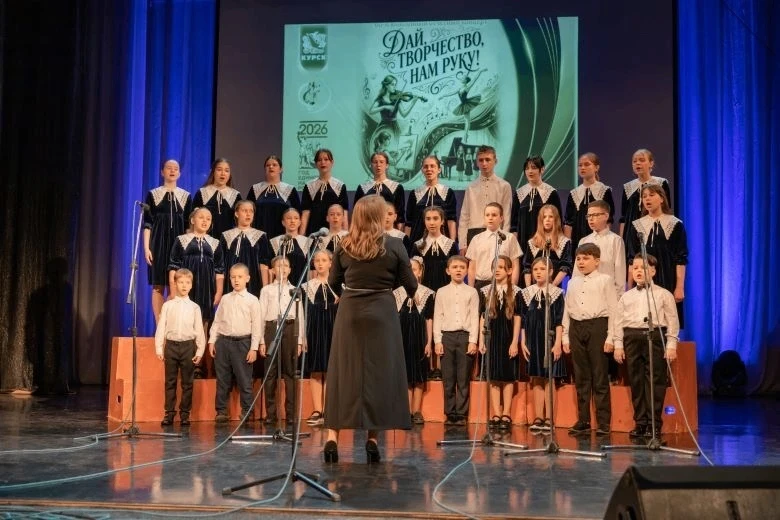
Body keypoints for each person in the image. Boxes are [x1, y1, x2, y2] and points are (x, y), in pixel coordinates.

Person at [323, 195, 417, 464]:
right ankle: (372, 441)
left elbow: (333, 282)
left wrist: (353, 291)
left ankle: (332, 438)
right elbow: (411, 285)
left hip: (350, 311)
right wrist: (385, 287)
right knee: (378, 375)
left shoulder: (344, 245)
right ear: (378, 216)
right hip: (382, 313)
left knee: (344, 373)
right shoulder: (395, 244)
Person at [613, 254, 680, 438]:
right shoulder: (626, 297)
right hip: (632, 338)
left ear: (653, 271)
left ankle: (654, 423)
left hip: (655, 337)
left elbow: (672, 321)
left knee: (655, 381)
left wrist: (671, 344)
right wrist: (618, 344)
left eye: (642, 268)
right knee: (636, 381)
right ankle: (641, 422)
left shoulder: (663, 294)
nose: (638, 271)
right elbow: (618, 322)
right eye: (635, 268)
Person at [562, 243, 619, 435]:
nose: (581, 262)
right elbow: (567, 310)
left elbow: (613, 309)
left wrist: (611, 337)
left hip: (597, 326)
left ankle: (603, 422)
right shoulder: (572, 282)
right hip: (576, 327)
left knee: (599, 375)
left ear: (597, 261)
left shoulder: (605, 280)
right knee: (581, 376)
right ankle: (583, 420)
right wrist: (565, 336)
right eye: (578, 259)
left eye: (586, 258)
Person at [168, 207, 225, 378]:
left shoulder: (215, 243)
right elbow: (173, 267)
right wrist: (173, 291)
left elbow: (220, 271)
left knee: (203, 324)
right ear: (193, 220)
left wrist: (219, 292)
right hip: (186, 288)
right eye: (201, 217)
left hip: (206, 288)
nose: (205, 221)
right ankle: (184, 364)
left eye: (208, 218)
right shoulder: (181, 240)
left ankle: (198, 364)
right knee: (185, 322)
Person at [628, 184, 688, 326]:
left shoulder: (675, 224)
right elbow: (631, 258)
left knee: (668, 319)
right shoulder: (637, 225)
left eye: (651, 195)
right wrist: (629, 287)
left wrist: (680, 287)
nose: (647, 199)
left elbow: (681, 258)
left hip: (667, 276)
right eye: (644, 196)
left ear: (661, 198)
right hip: (643, 276)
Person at [209, 263, 262, 423]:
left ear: (247, 278)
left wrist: (254, 348)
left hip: (243, 343)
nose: (236, 280)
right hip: (224, 342)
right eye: (233, 277)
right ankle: (221, 411)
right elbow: (217, 321)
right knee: (223, 379)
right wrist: (212, 341)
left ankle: (247, 411)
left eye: (240, 277)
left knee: (244, 380)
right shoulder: (225, 299)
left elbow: (257, 326)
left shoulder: (252, 300)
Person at [155, 268, 206, 427]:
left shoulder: (195, 307)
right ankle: (169, 413)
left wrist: (200, 350)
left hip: (187, 347)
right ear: (175, 284)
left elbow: (199, 330)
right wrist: (159, 348)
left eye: (187, 282)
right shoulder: (168, 305)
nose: (184, 285)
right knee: (170, 382)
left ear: (191, 285)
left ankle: (185, 414)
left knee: (187, 383)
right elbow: (161, 328)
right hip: (171, 346)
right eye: (181, 282)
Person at [143, 159, 193, 322]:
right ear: (162, 172)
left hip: (178, 245)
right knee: (158, 286)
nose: (172, 171)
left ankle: (170, 324)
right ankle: (159, 326)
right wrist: (146, 248)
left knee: (176, 284)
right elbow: (147, 224)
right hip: (157, 244)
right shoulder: (153, 194)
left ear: (179, 173)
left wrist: (187, 249)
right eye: (169, 168)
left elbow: (189, 226)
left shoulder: (186, 196)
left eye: (175, 168)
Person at [434, 255, 480, 426]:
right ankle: (450, 412)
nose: (458, 270)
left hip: (464, 337)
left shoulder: (472, 292)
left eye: (462, 267)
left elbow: (474, 317)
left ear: (467, 270)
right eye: (455, 267)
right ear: (448, 271)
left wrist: (473, 340)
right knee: (448, 378)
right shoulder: (441, 292)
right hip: (447, 336)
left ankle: (461, 414)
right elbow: (438, 316)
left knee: (463, 378)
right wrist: (437, 340)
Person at [521, 258, 565, 433]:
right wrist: (523, 341)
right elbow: (523, 320)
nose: (538, 272)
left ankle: (549, 418)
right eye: (535, 269)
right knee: (536, 378)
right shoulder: (526, 293)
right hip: (532, 340)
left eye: (542, 269)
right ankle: (538, 417)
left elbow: (559, 321)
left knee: (549, 378)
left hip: (549, 339)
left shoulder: (557, 293)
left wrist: (558, 343)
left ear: (551, 272)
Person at [258, 256, 305, 425]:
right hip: (272, 329)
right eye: (279, 266)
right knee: (270, 373)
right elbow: (261, 315)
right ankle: (271, 414)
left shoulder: (295, 290)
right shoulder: (266, 290)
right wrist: (261, 341)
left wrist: (300, 340)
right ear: (272, 270)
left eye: (285, 266)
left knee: (290, 373)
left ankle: (291, 414)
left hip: (290, 329)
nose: (282, 269)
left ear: (290, 270)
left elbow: (300, 316)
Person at [478, 255, 521, 431]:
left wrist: (515, 342)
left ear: (509, 271)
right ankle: (496, 413)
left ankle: (506, 413)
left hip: (508, 337)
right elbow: (482, 317)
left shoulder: (517, 292)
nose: (497, 270)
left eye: (501, 267)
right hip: (492, 337)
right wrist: (481, 340)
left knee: (508, 377)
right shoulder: (485, 291)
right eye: (494, 267)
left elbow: (517, 318)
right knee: (494, 377)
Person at [394, 256, 434, 425]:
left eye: (414, 269)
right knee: (404, 374)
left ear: (420, 272)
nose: (411, 272)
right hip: (402, 336)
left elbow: (429, 319)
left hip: (419, 337)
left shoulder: (427, 293)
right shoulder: (397, 293)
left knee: (418, 375)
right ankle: (405, 411)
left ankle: (416, 411)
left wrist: (429, 342)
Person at [302, 249, 339, 427]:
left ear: (331, 263)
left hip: (334, 331)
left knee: (332, 370)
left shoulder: (339, 286)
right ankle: (318, 410)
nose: (320, 263)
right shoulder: (307, 287)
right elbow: (302, 314)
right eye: (317, 260)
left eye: (324, 260)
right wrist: (303, 337)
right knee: (316, 370)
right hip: (314, 331)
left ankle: (330, 410)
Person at [457, 145, 513, 254]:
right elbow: (464, 216)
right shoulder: (471, 187)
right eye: (481, 160)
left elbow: (506, 215)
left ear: (495, 161)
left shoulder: (504, 186)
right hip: (474, 234)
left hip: (496, 233)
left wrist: (504, 240)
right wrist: (462, 244)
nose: (484, 163)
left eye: (488, 160)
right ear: (477, 162)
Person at [619, 149, 671, 263]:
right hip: (632, 231)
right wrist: (622, 240)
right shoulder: (628, 187)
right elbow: (624, 217)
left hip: (654, 228)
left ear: (651, 163)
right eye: (634, 161)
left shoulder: (661, 183)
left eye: (642, 160)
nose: (637, 163)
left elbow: (667, 209)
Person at [511, 156, 563, 261]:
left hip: (544, 242)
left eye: (534, 168)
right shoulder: (519, 193)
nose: (530, 171)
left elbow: (559, 221)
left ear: (542, 169)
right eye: (527, 168)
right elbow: (514, 223)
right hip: (523, 243)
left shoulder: (551, 193)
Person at [573, 200, 626, 299]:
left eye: (595, 215)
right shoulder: (584, 241)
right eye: (589, 216)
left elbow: (620, 271)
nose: (591, 219)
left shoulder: (615, 240)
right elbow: (577, 272)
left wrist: (618, 297)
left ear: (606, 216)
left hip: (607, 294)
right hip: (586, 294)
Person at [220, 200, 272, 297]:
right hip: (231, 281)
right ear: (236, 214)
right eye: (244, 211)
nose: (248, 214)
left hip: (253, 281)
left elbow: (264, 264)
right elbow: (221, 264)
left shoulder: (260, 236)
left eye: (251, 211)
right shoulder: (226, 235)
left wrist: (265, 288)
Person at [564, 153, 615, 250]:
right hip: (577, 240)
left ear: (596, 168)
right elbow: (568, 223)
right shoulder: (574, 193)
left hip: (599, 239)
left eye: (587, 164)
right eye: (580, 165)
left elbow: (608, 219)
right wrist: (568, 247)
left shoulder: (604, 190)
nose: (582, 167)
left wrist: (605, 241)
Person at [466, 202, 522, 289]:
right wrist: (471, 289)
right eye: (487, 215)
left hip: (503, 284)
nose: (490, 218)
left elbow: (515, 266)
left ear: (501, 218)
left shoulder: (509, 238)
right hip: (481, 284)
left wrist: (512, 287)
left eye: (494, 215)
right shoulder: (476, 239)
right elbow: (472, 267)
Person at [246, 155, 301, 240]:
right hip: (259, 235)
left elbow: (298, 214)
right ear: (265, 169)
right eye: (268, 165)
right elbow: (247, 212)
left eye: (274, 165)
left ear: (281, 169)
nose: (271, 167)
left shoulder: (290, 189)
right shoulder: (255, 189)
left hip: (282, 237)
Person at [405, 155, 457, 244]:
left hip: (442, 242)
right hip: (418, 241)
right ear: (422, 170)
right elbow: (409, 222)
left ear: (439, 169)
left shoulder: (448, 193)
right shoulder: (414, 193)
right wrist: (407, 244)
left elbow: (451, 220)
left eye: (432, 166)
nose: (429, 169)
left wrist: (452, 243)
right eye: (426, 167)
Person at [300, 149, 349, 235]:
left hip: (335, 233)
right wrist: (301, 237)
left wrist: (345, 235)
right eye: (319, 160)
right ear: (316, 164)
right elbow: (305, 213)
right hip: (314, 232)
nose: (323, 162)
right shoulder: (309, 186)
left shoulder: (340, 186)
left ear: (332, 162)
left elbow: (344, 213)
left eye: (326, 159)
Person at [521, 204, 572, 288]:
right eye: (544, 217)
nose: (547, 219)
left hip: (554, 287)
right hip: (535, 287)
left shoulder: (564, 242)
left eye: (551, 217)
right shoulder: (532, 242)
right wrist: (529, 288)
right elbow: (527, 267)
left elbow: (565, 266)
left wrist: (553, 286)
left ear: (556, 220)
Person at [193, 158, 242, 240]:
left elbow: (240, 221)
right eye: (219, 170)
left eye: (226, 171)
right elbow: (193, 217)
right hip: (206, 239)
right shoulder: (202, 192)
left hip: (228, 239)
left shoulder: (236, 195)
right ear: (213, 172)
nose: (223, 173)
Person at [354, 152, 405, 230]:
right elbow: (357, 214)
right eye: (375, 162)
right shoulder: (362, 188)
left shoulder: (397, 187)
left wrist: (399, 234)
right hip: (367, 230)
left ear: (387, 165)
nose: (378, 165)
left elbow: (400, 215)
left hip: (389, 230)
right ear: (371, 165)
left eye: (381, 162)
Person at [270, 208, 313, 286]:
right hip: (279, 286)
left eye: (296, 218)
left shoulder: (308, 242)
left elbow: (311, 269)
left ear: (300, 222)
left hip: (301, 285)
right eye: (289, 218)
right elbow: (270, 268)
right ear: (283, 222)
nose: (292, 221)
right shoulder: (275, 241)